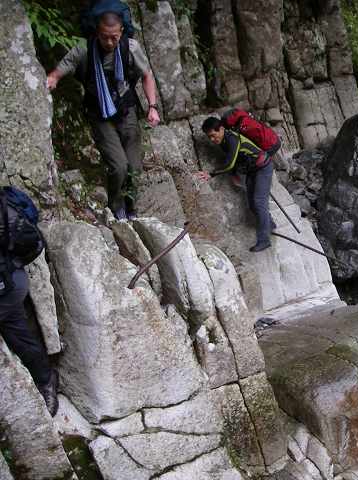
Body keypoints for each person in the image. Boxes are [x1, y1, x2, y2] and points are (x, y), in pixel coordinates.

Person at [46, 10, 160, 220]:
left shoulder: (131, 48)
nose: (109, 42)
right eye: (104, 37)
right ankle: (116, 206)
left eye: (114, 37)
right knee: (119, 166)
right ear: (97, 32)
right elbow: (63, 68)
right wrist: (53, 79)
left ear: (121, 31)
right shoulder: (84, 49)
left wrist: (152, 107)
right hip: (99, 114)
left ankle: (131, 206)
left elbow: (147, 75)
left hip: (126, 110)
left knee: (134, 167)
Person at [0, 189, 58, 416]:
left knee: (16, 331)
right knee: (19, 336)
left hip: (8, 286)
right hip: (11, 282)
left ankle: (46, 381)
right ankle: (46, 379)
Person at [196, 117, 275, 252]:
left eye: (213, 135)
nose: (212, 140)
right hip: (252, 170)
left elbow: (230, 163)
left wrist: (211, 174)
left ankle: (264, 240)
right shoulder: (223, 141)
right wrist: (235, 174)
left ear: (221, 129)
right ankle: (269, 224)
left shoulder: (232, 139)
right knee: (252, 203)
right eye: (209, 137)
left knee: (259, 201)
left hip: (263, 167)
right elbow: (236, 159)